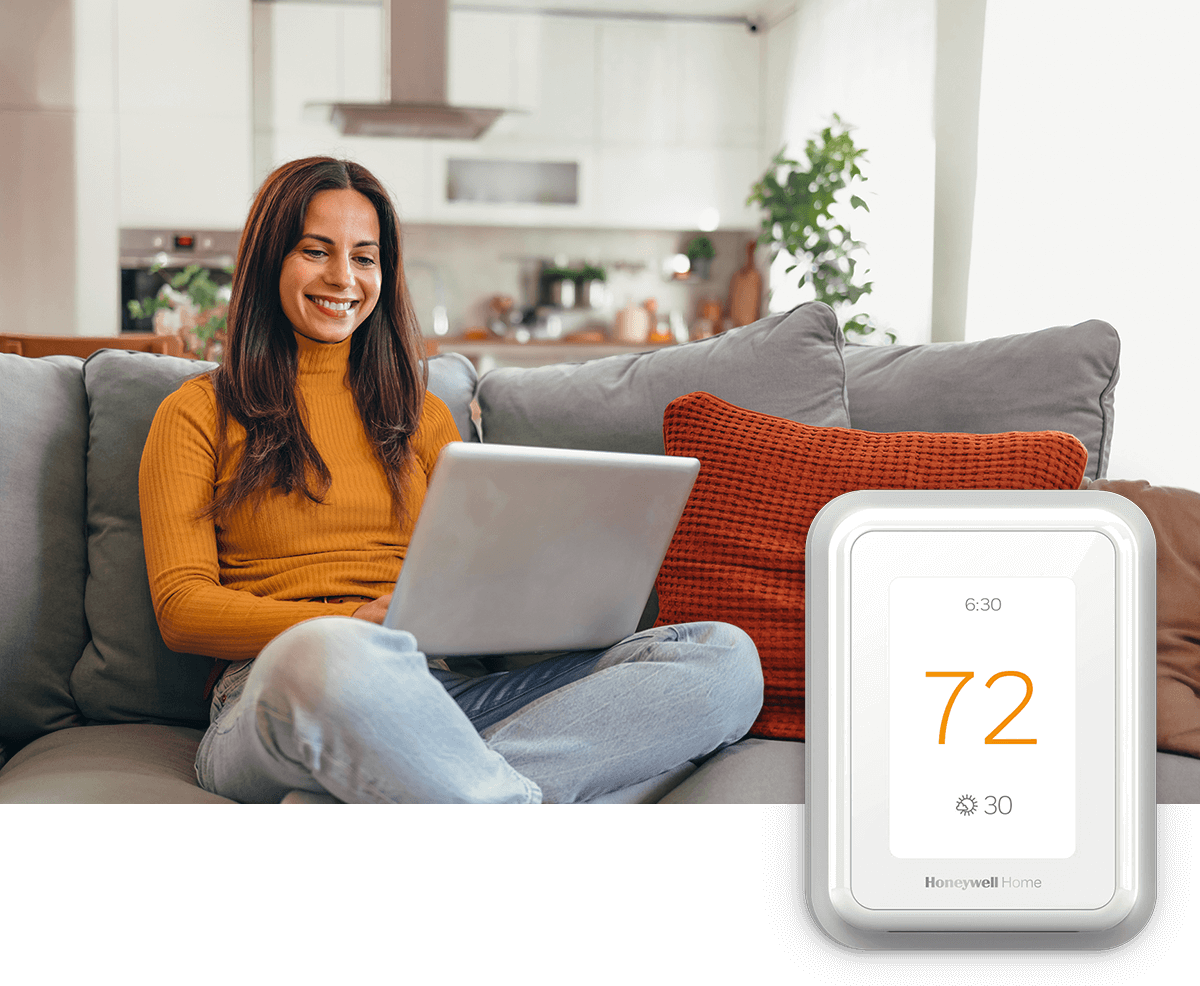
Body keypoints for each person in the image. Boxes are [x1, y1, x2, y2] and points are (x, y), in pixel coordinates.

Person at [138, 156, 763, 803]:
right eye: (315, 251)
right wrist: (352, 620)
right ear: (270, 260)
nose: (342, 278)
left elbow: (472, 577)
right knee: (326, 651)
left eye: (364, 257)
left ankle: (416, 779)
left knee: (723, 659)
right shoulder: (197, 413)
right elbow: (182, 610)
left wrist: (547, 600)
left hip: (439, 692)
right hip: (281, 689)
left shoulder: (422, 416)